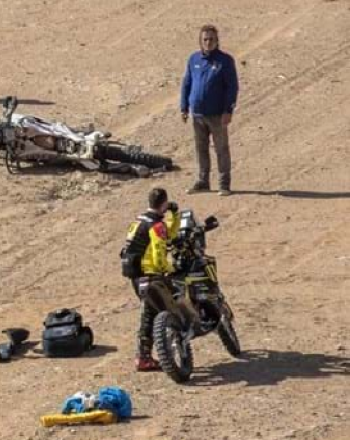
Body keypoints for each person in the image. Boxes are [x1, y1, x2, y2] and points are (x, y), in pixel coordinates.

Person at [120, 188, 178, 371]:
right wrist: (168, 269)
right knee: (154, 314)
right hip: (149, 273)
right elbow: (160, 250)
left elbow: (168, 235)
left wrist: (173, 216)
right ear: (164, 204)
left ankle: (146, 355)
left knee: (150, 313)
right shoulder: (156, 225)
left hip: (134, 273)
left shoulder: (139, 220)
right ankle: (145, 357)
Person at [180, 24, 239, 196]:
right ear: (200, 41)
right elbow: (187, 83)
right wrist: (184, 106)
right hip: (197, 114)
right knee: (201, 149)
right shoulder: (194, 60)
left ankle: (224, 184)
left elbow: (232, 87)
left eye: (211, 39)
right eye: (205, 39)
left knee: (221, 149)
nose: (208, 42)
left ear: (217, 40)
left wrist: (228, 110)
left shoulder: (225, 61)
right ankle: (203, 181)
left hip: (217, 115)